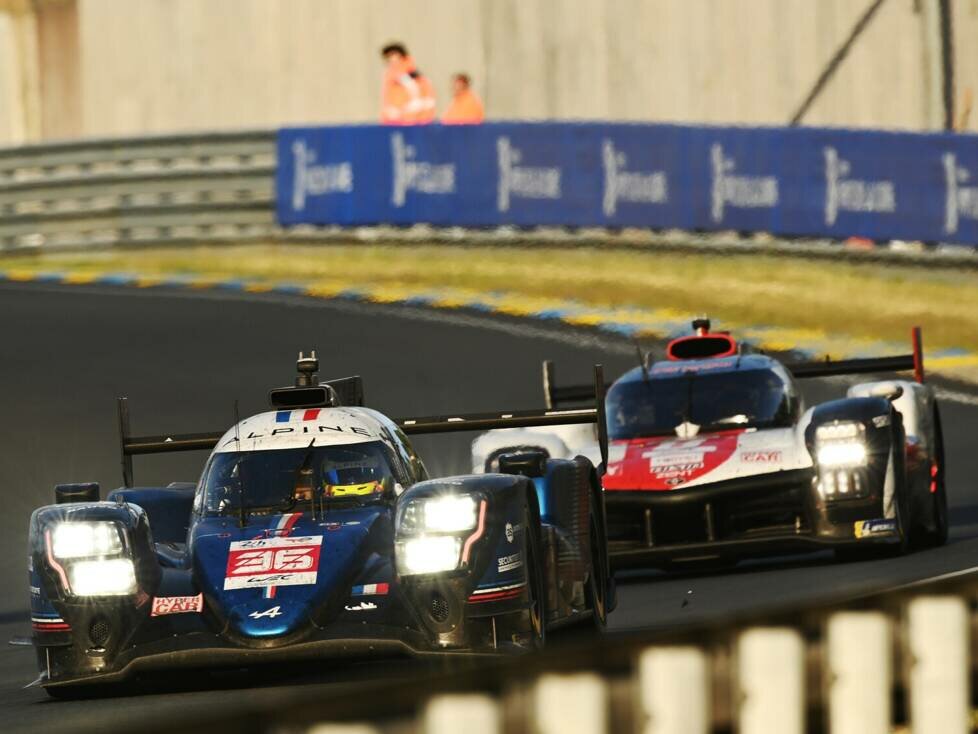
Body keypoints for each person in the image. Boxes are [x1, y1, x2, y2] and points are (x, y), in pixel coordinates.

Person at [379, 42, 436, 125]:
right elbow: (388, 102)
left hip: (412, 124)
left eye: (392, 56)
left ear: (401, 56)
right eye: (387, 58)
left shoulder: (414, 77)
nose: (391, 60)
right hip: (395, 123)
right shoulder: (391, 77)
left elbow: (425, 102)